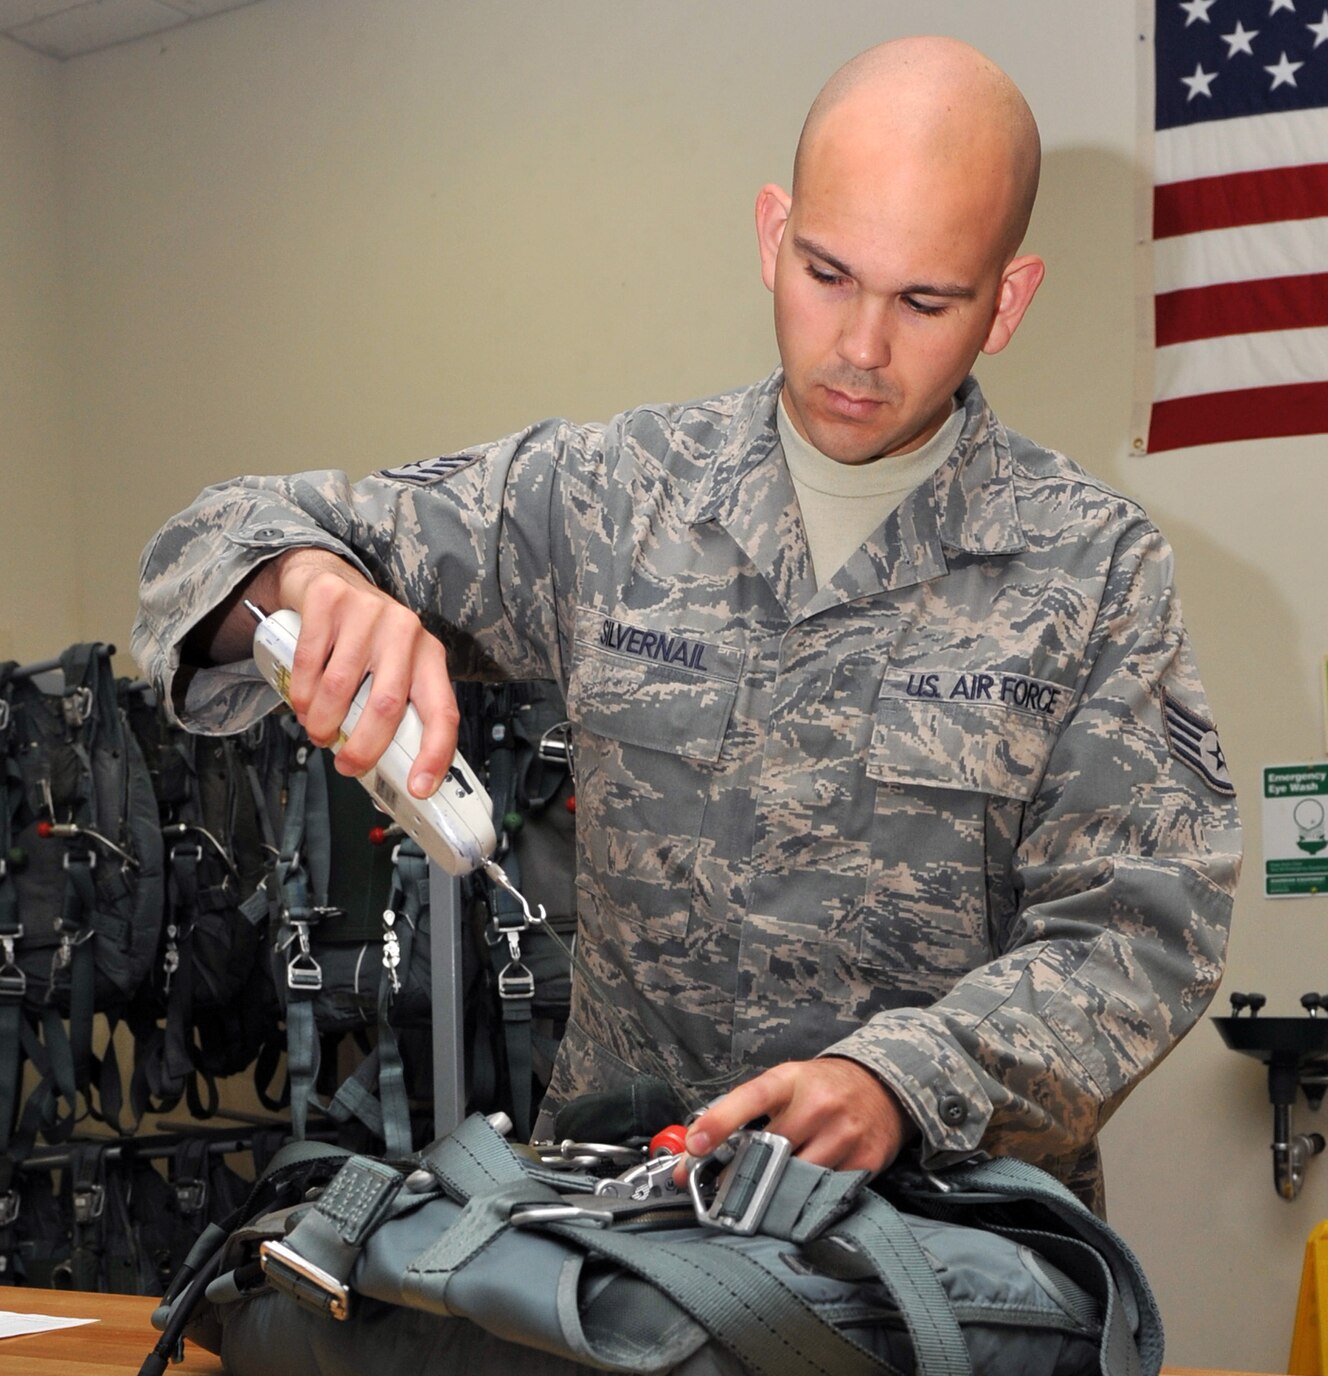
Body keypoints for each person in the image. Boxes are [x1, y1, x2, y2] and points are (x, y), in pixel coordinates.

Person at [132, 36, 1240, 1213]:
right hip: (628, 1242)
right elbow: (214, 535)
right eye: (825, 273)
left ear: (1005, 300)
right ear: (772, 235)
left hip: (941, 1257)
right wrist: (309, 584)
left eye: (924, 300)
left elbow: (1138, 932)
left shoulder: (1093, 567)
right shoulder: (610, 498)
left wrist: (901, 1080)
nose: (860, 348)